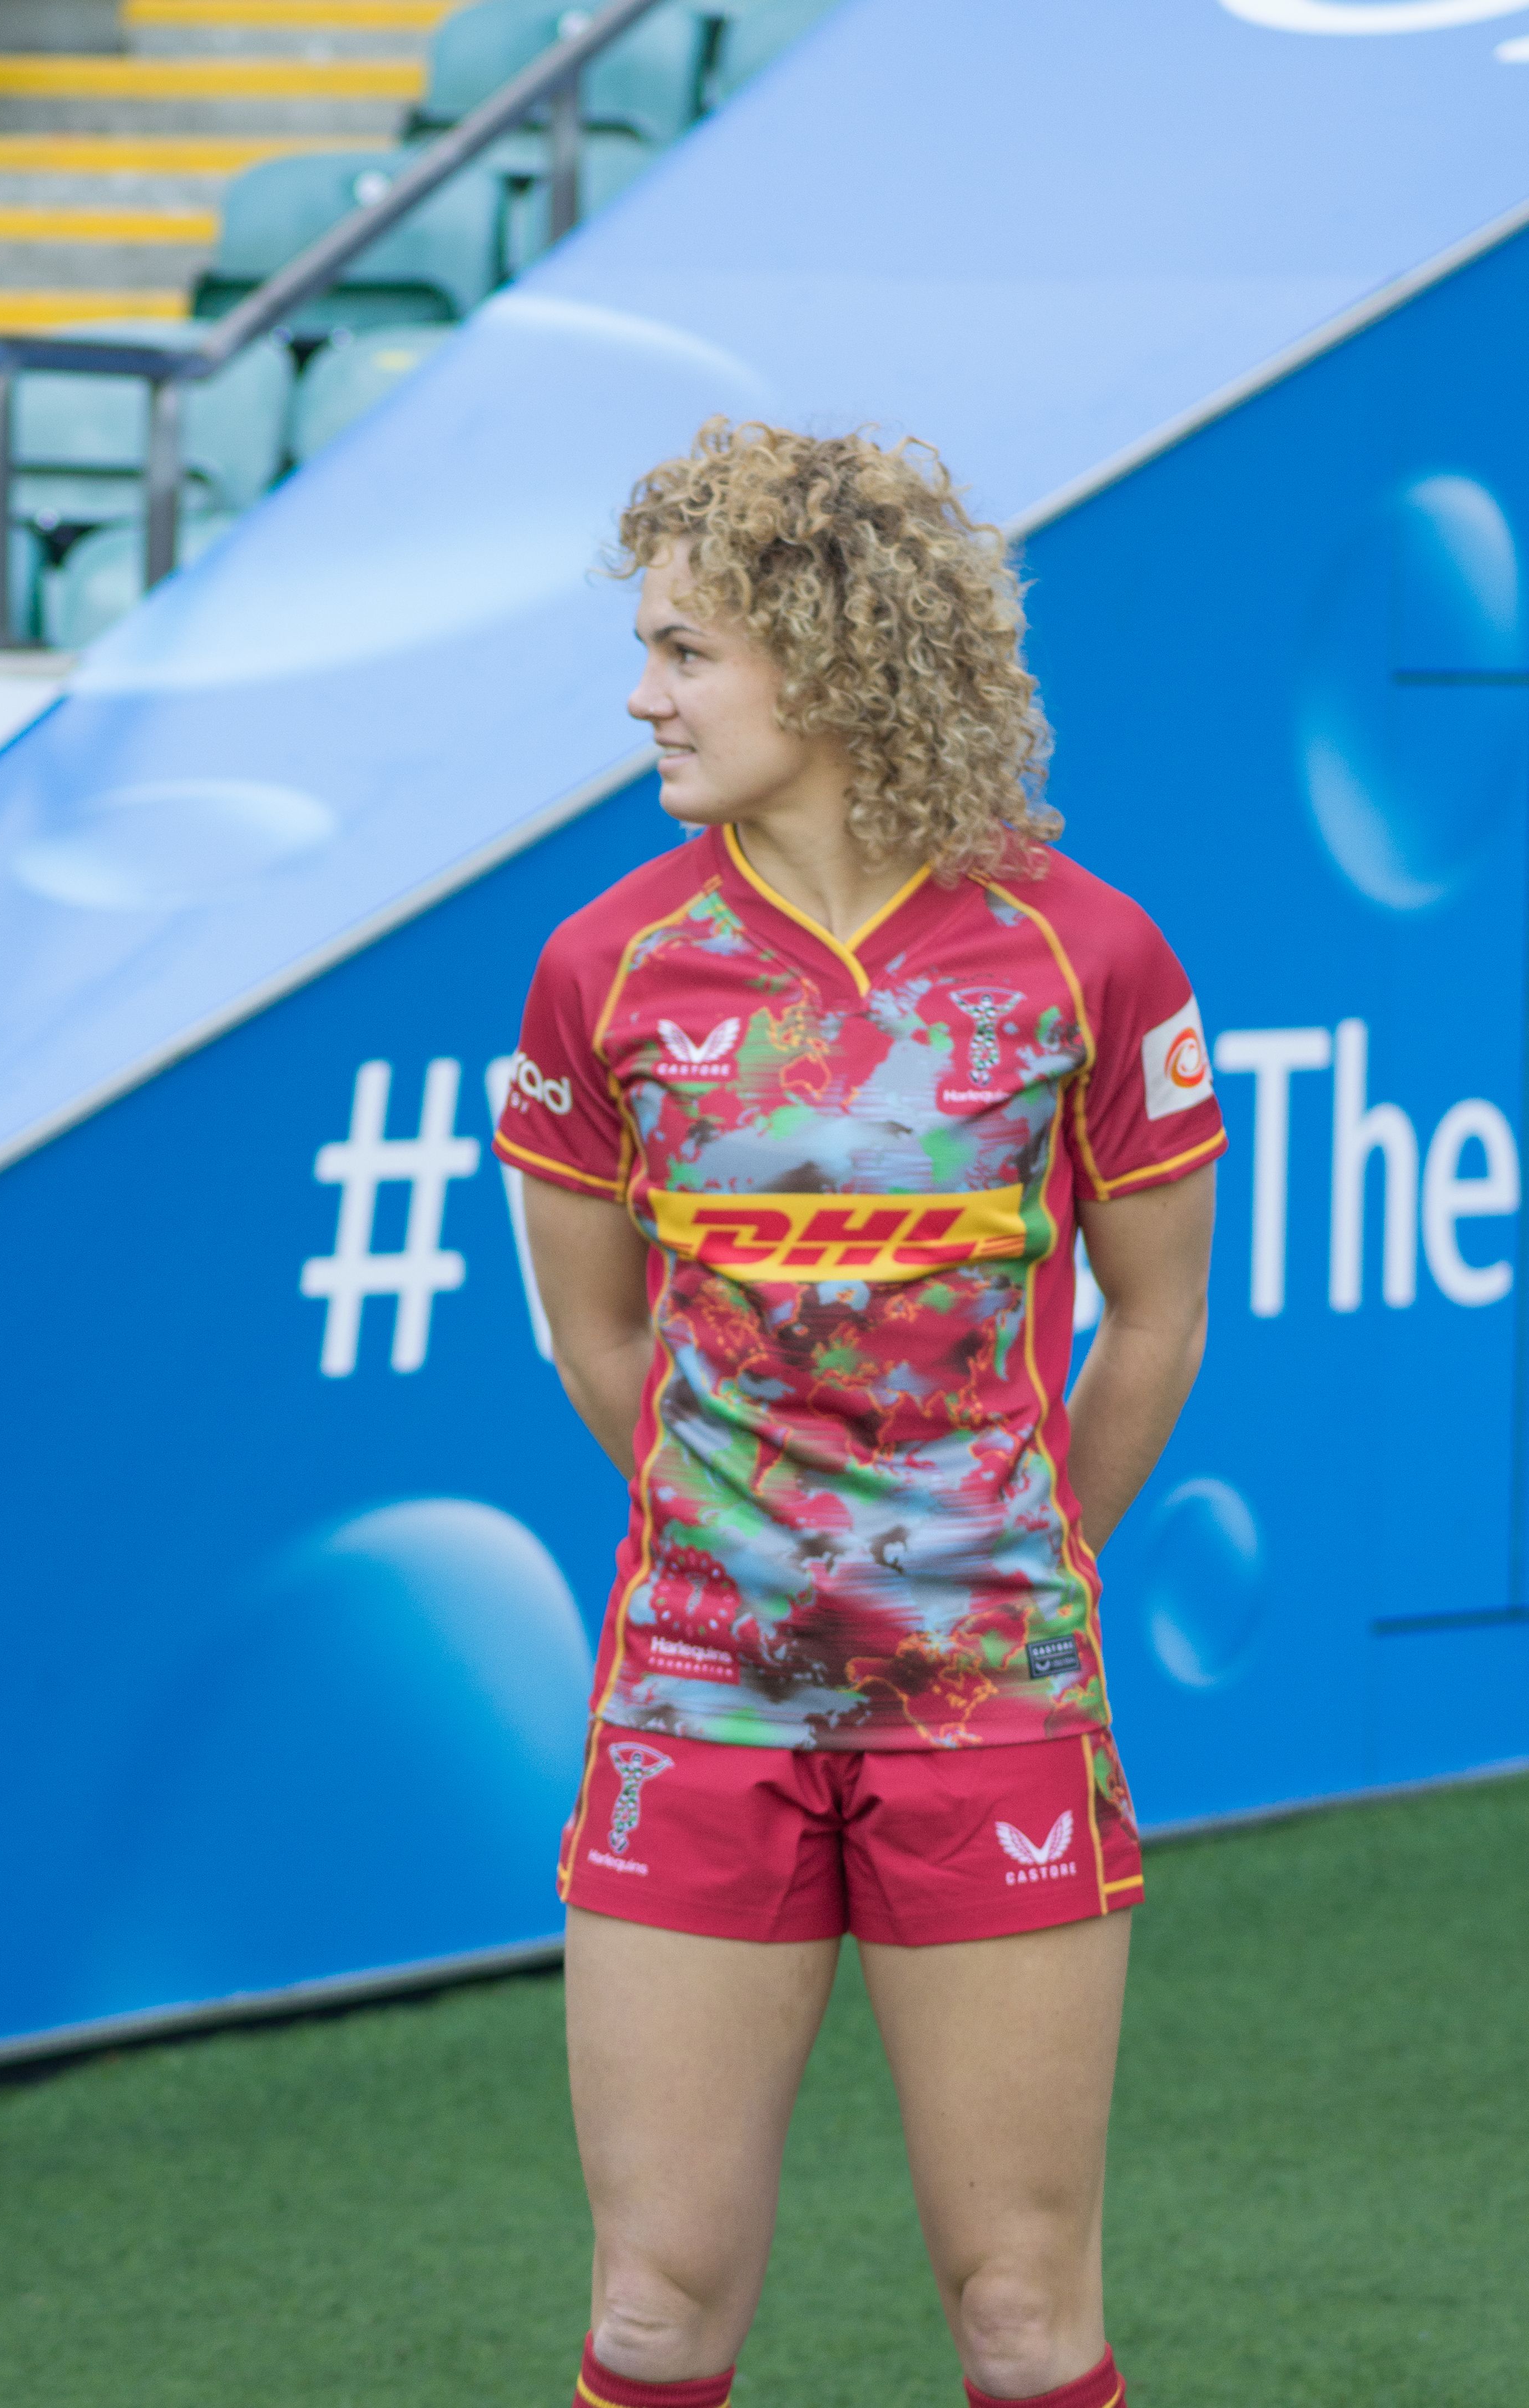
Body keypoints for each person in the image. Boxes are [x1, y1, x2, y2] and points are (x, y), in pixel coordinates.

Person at [494, 421, 1223, 2408]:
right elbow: (601, 1342)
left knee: (1020, 2314)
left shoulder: (1087, 955)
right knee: (651, 2312)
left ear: (821, 658)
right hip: (695, 1697)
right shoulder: (603, 968)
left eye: (685, 649)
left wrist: (1013, 1570)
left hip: (995, 1705)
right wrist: (757, 1566)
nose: (643, 693)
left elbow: (1156, 1321)